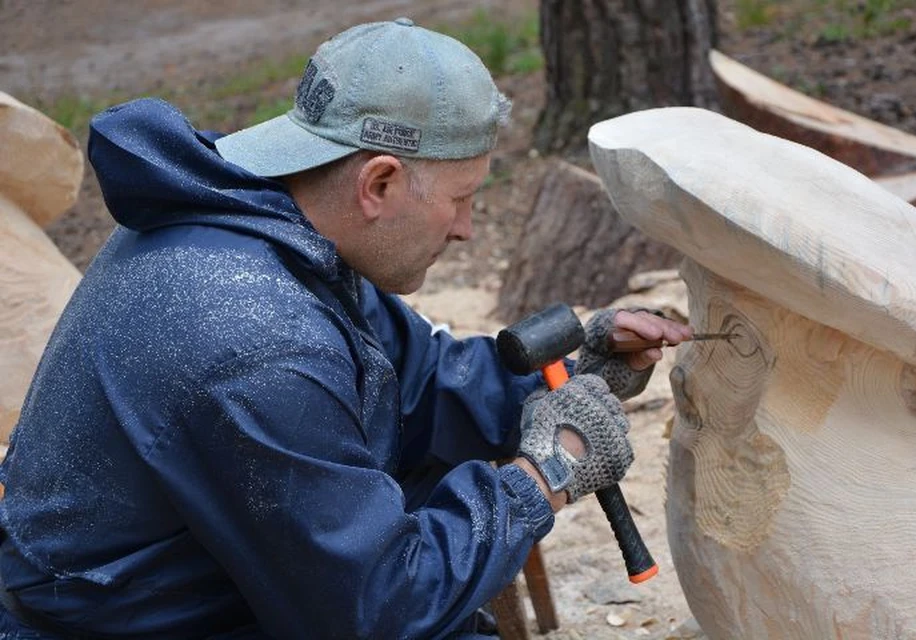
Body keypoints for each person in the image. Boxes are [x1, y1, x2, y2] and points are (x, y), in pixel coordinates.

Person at [0, 18, 692, 639]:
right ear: (379, 184)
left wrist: (578, 376)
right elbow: (379, 611)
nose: (466, 228)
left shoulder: (277, 226)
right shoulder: (256, 336)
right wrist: (550, 470)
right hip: (131, 620)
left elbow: (420, 384)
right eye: (460, 199)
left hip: (199, 567)